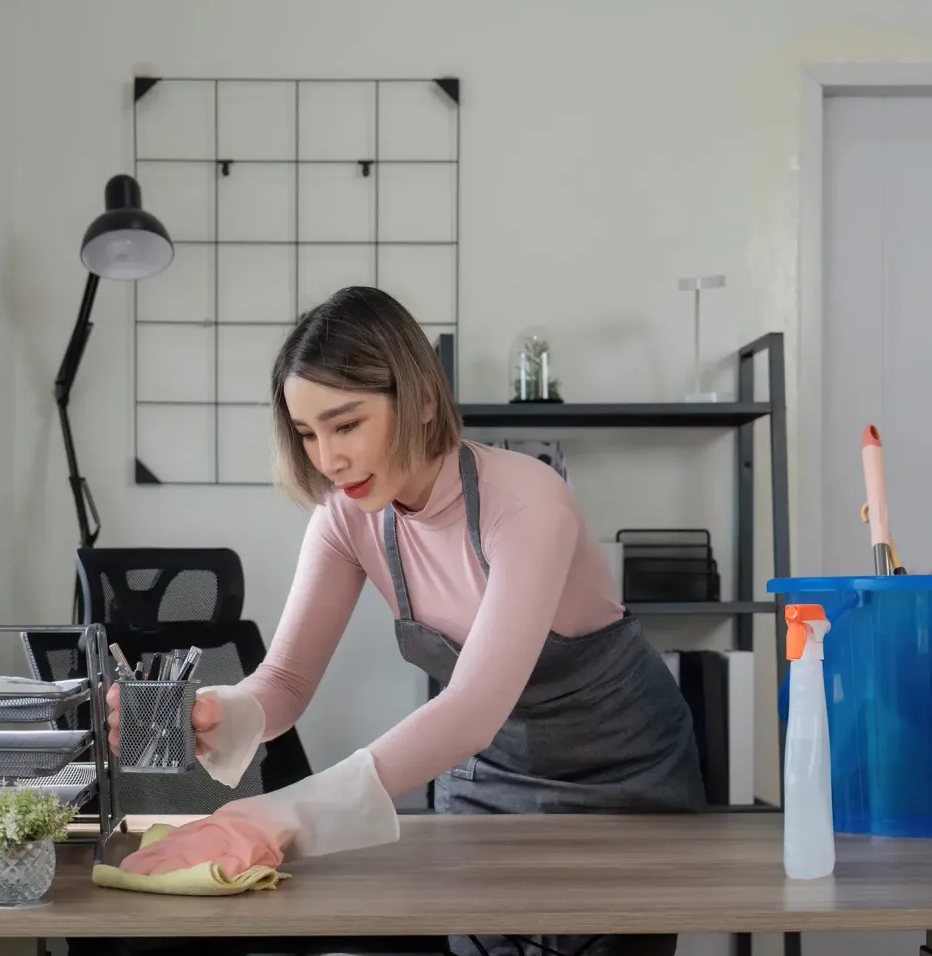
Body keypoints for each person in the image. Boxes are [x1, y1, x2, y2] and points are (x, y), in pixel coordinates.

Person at [106, 286, 706, 956]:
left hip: (624, 782)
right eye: (307, 434)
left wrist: (286, 813)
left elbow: (473, 707)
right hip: (489, 783)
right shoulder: (346, 518)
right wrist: (221, 710)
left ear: (420, 398)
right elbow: (287, 680)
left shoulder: (530, 502)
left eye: (346, 424)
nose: (327, 459)